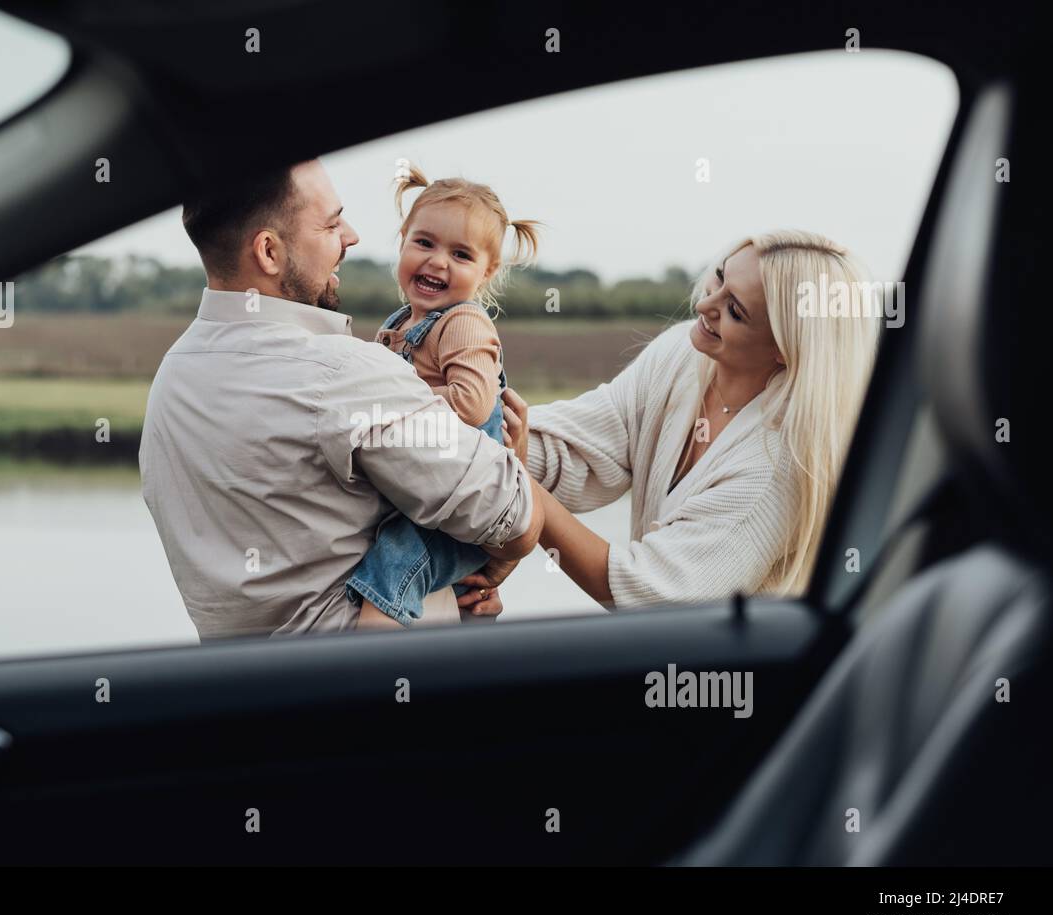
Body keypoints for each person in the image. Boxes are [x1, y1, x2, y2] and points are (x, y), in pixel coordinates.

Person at [139, 159, 545, 638]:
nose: (351, 236)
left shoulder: (171, 379)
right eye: (331, 223)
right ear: (269, 252)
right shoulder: (340, 374)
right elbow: (512, 516)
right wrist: (510, 466)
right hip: (371, 686)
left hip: (238, 692)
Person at [484, 231, 881, 611]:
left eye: (735, 311)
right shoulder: (681, 355)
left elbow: (651, 597)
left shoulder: (776, 467)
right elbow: (578, 451)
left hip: (726, 675)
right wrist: (468, 432)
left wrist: (522, 491)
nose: (705, 306)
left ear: (783, 348)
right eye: (720, 277)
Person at [346, 163, 542, 629]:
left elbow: (473, 406)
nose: (437, 262)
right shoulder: (396, 326)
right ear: (402, 242)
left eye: (460, 254)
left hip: (461, 505)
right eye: (425, 243)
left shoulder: (464, 323)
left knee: (393, 570)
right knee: (453, 596)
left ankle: (364, 667)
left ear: (487, 271)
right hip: (431, 497)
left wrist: (398, 413)